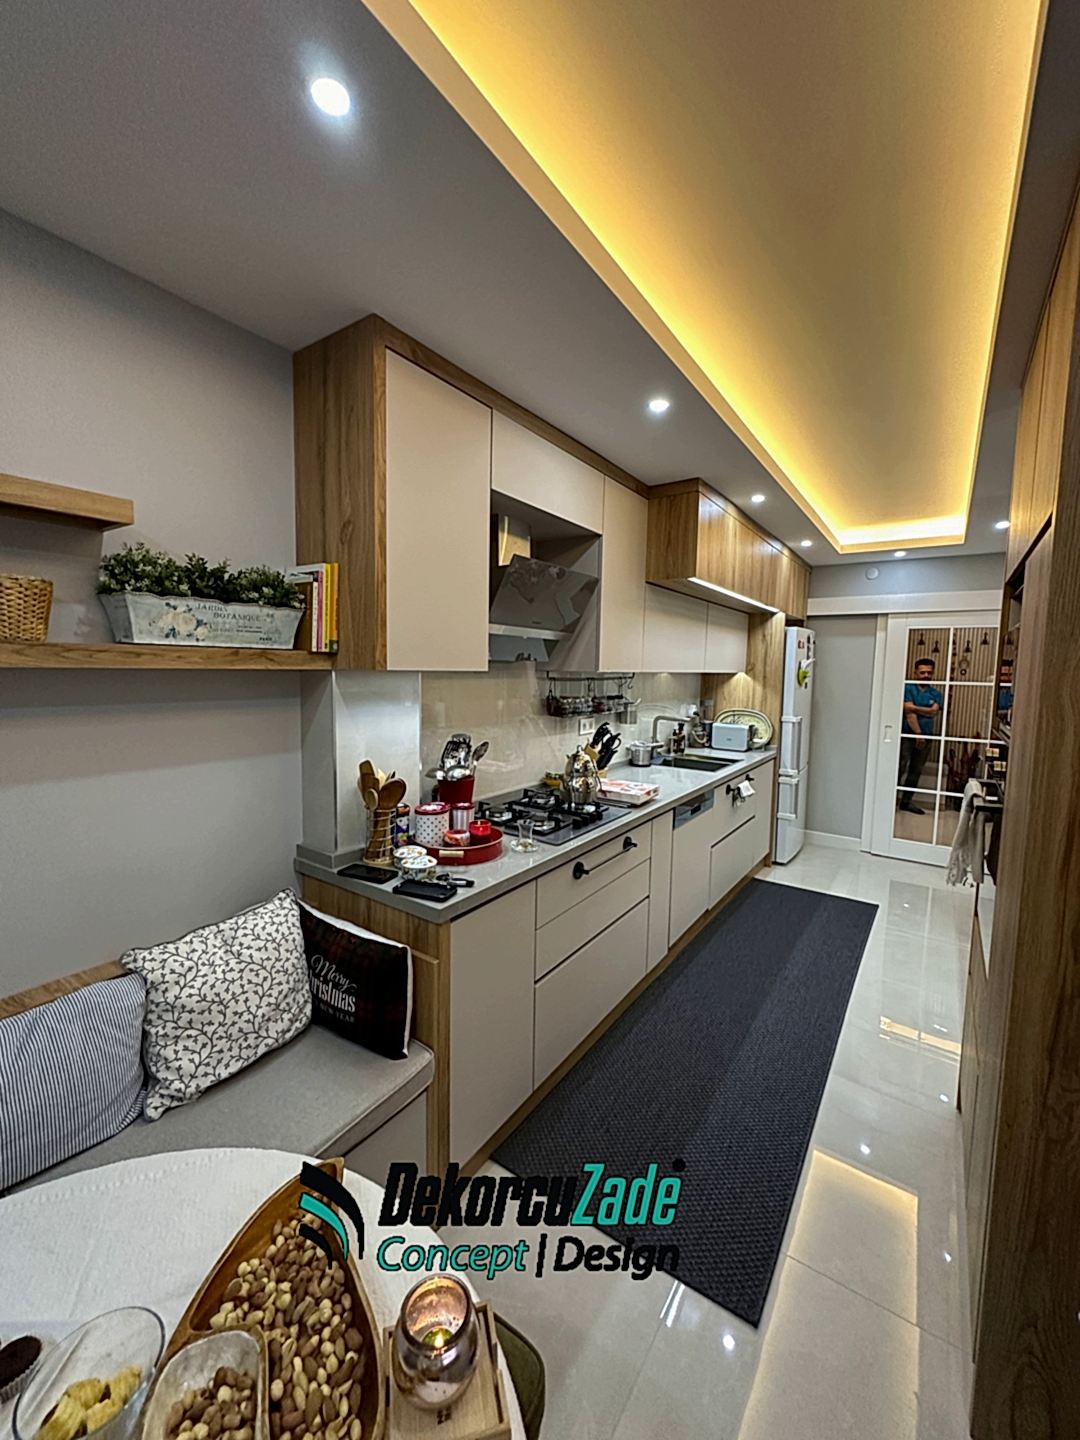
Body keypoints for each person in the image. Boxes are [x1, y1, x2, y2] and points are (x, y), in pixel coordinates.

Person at [899, 657, 943, 814]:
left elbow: (934, 712)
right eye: (922, 672)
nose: (926, 675)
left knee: (916, 770)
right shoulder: (908, 689)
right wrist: (918, 734)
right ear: (915, 672)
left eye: (929, 673)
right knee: (900, 767)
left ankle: (906, 801)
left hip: (927, 737)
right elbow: (908, 713)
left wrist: (915, 708)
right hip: (908, 735)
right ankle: (890, 799)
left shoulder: (936, 693)